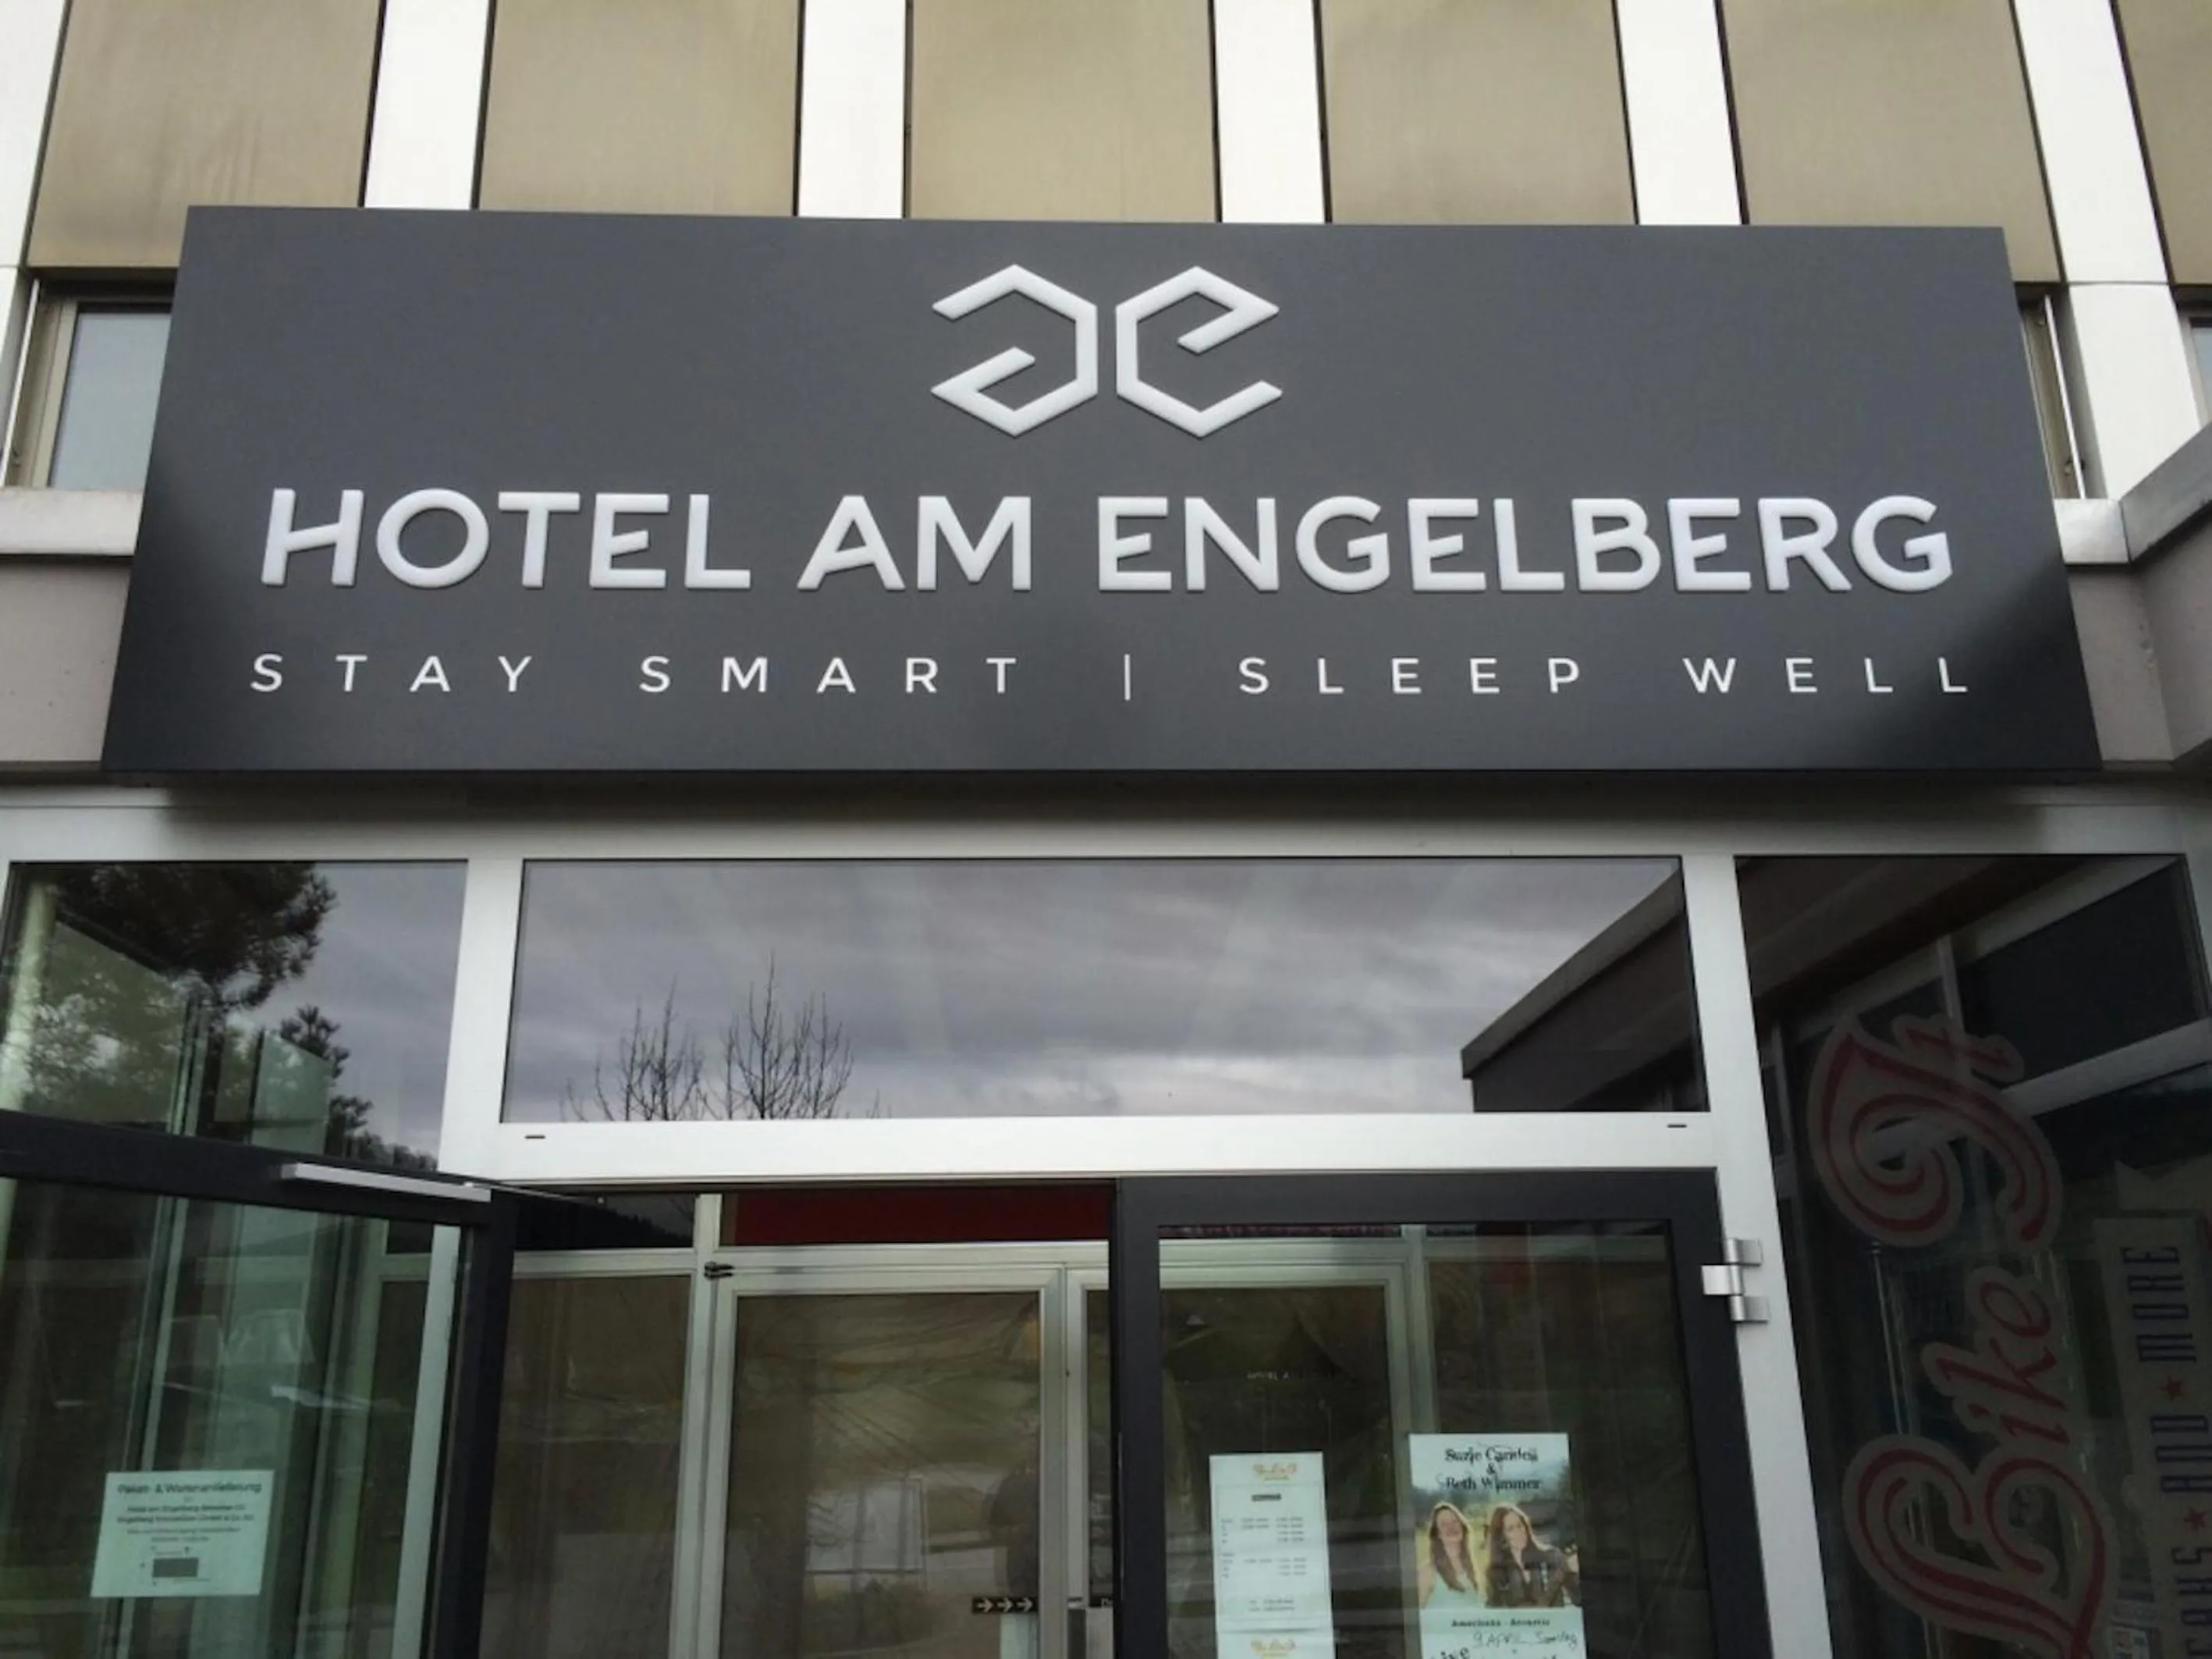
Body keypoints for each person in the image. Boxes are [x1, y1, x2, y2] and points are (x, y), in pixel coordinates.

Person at [1481, 1504, 1579, 1608]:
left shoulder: (1551, 1556)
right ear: (1502, 1536)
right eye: (1511, 1529)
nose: (1519, 1532)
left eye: (1520, 1525)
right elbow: (1492, 1610)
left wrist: (1576, 1573)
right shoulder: (1496, 1572)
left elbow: (1578, 1598)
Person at [1416, 1501, 1483, 1609]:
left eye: (1455, 1522)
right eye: (1444, 1524)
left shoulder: (1472, 1568)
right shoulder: (1428, 1571)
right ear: (1437, 1534)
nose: (1451, 1527)